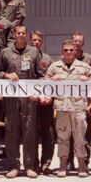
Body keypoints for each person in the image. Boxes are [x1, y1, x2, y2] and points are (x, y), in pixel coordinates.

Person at [41, 39, 91, 177]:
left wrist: (88, 80)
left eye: (71, 50)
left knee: (80, 137)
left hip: (79, 107)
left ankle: (82, 165)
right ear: (62, 51)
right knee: (62, 137)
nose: (69, 53)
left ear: (75, 51)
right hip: (62, 107)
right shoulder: (55, 67)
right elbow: (44, 85)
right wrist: (52, 79)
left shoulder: (84, 67)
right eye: (66, 50)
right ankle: (62, 165)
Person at [0, 25, 44, 178]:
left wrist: (37, 93)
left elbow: (40, 75)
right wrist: (6, 75)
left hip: (29, 98)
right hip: (11, 98)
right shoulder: (5, 52)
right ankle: (13, 166)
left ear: (26, 35)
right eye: (18, 33)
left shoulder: (33, 52)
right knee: (11, 130)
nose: (21, 35)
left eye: (23, 33)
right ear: (13, 34)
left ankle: (29, 166)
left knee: (29, 131)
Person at [30, 30, 56, 174]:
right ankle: (33, 163)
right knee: (32, 134)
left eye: (39, 40)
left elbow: (51, 80)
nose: (36, 43)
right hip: (32, 102)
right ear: (30, 41)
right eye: (34, 40)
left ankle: (46, 163)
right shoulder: (25, 58)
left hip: (46, 102)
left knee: (48, 134)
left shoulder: (48, 59)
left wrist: (50, 96)